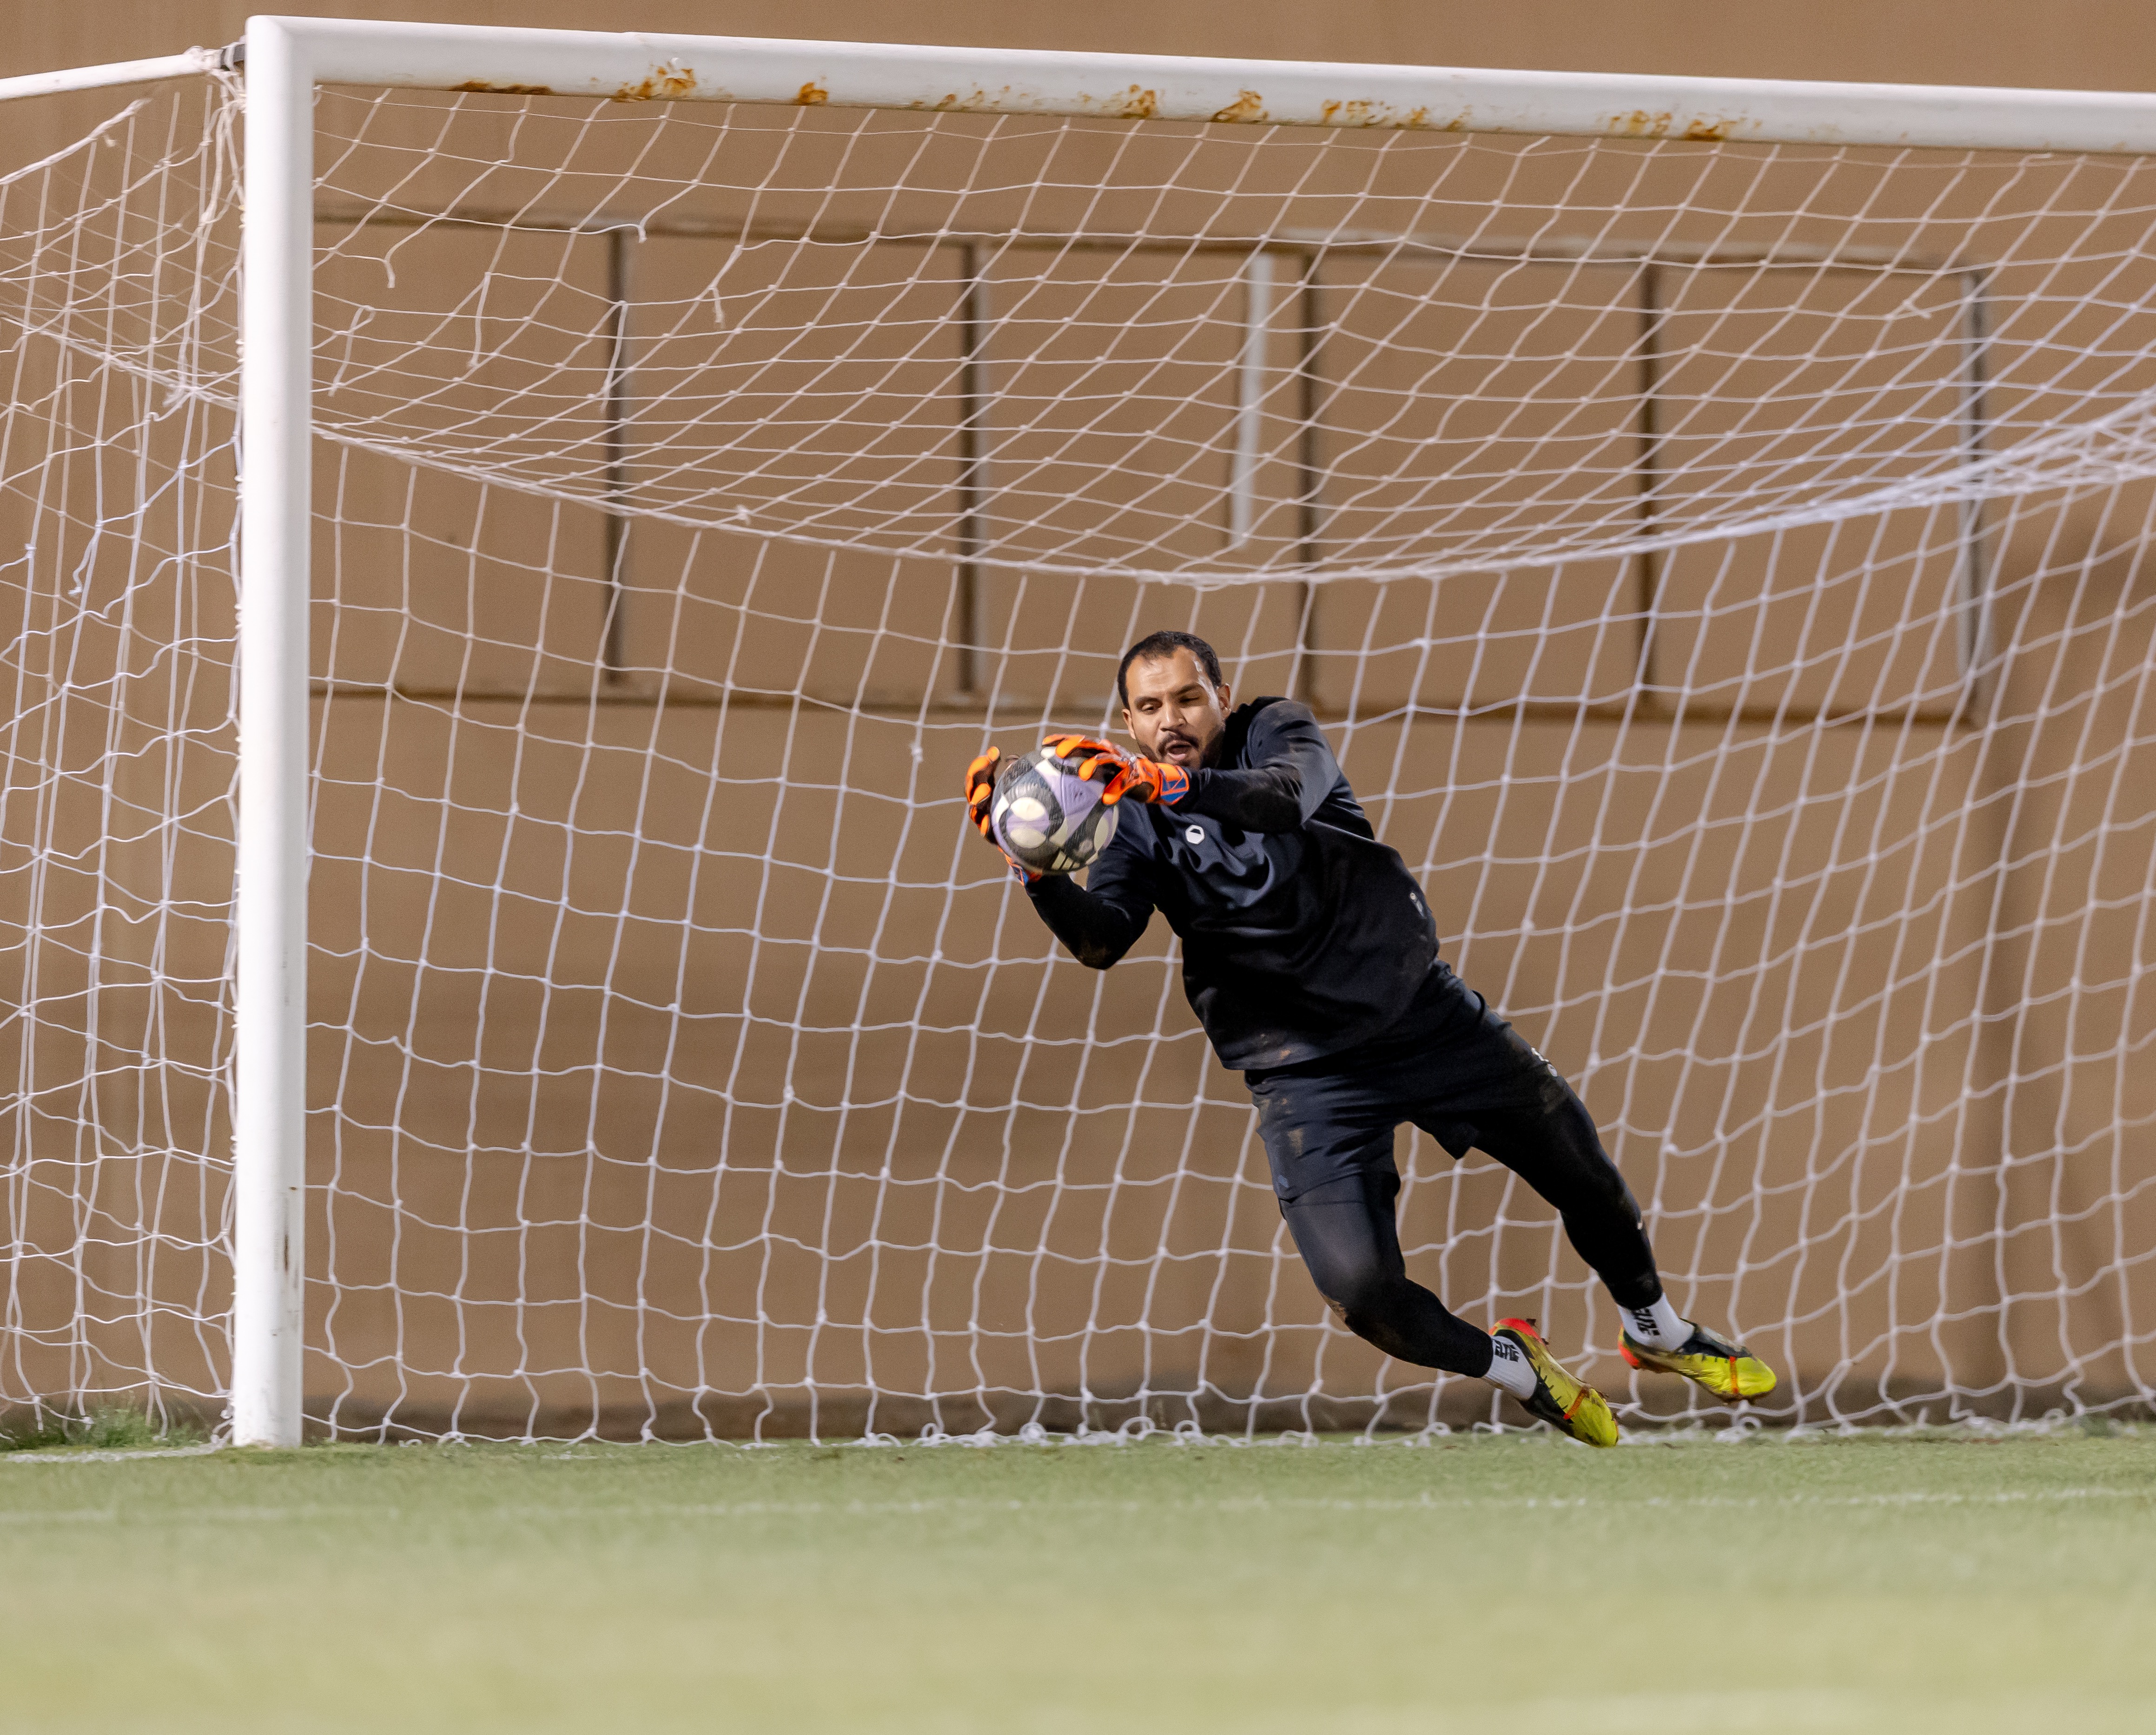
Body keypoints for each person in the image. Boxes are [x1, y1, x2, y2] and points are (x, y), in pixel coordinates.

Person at [963, 629, 1776, 1445]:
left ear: (1221, 697)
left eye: (1186, 697)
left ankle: (1657, 1329)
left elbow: (1281, 798)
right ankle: (1515, 1367)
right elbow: (1103, 939)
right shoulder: (1129, 817)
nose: (1169, 719)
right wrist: (1030, 865)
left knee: (1578, 1164)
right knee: (1363, 1295)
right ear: (1128, 722)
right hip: (1303, 1075)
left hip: (1419, 1017)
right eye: (1148, 707)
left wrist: (1167, 782)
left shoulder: (1276, 730)